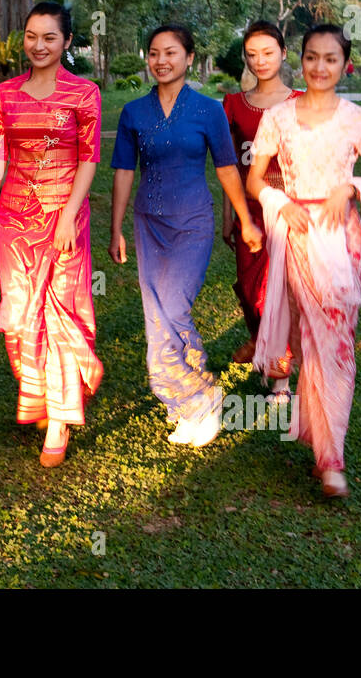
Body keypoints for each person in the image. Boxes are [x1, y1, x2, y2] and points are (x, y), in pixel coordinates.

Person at [247, 24, 361, 498]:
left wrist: (350, 188)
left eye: (331, 59)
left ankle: (329, 447)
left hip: (342, 238)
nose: (320, 67)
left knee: (338, 338)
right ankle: (327, 451)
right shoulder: (279, 118)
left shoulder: (359, 119)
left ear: (345, 63)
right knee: (312, 336)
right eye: (312, 57)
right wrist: (280, 202)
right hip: (298, 234)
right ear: (301, 60)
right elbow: (253, 183)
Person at [110, 24, 262, 447]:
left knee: (174, 305)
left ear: (189, 58)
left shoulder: (208, 111)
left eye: (171, 52)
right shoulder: (133, 113)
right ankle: (187, 405)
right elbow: (124, 171)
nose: (161, 60)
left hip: (193, 221)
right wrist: (116, 227)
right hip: (148, 223)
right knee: (156, 317)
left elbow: (227, 168)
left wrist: (247, 221)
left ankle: (203, 392)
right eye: (154, 53)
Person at [0, 2, 102, 468]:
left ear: (66, 41)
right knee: (21, 316)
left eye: (49, 37)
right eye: (31, 35)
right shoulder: (5, 94)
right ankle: (41, 397)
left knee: (62, 315)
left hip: (66, 221)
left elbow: (89, 158)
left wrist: (68, 215)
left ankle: (61, 420)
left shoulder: (84, 94)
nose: (39, 45)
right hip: (13, 223)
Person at [222, 21, 301, 393]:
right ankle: (260, 340)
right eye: (252, 54)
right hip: (248, 212)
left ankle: (280, 378)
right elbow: (228, 167)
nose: (260, 61)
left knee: (279, 291)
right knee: (251, 290)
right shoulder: (234, 104)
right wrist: (230, 215)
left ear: (283, 53)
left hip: (290, 211)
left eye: (268, 52)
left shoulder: (301, 102)